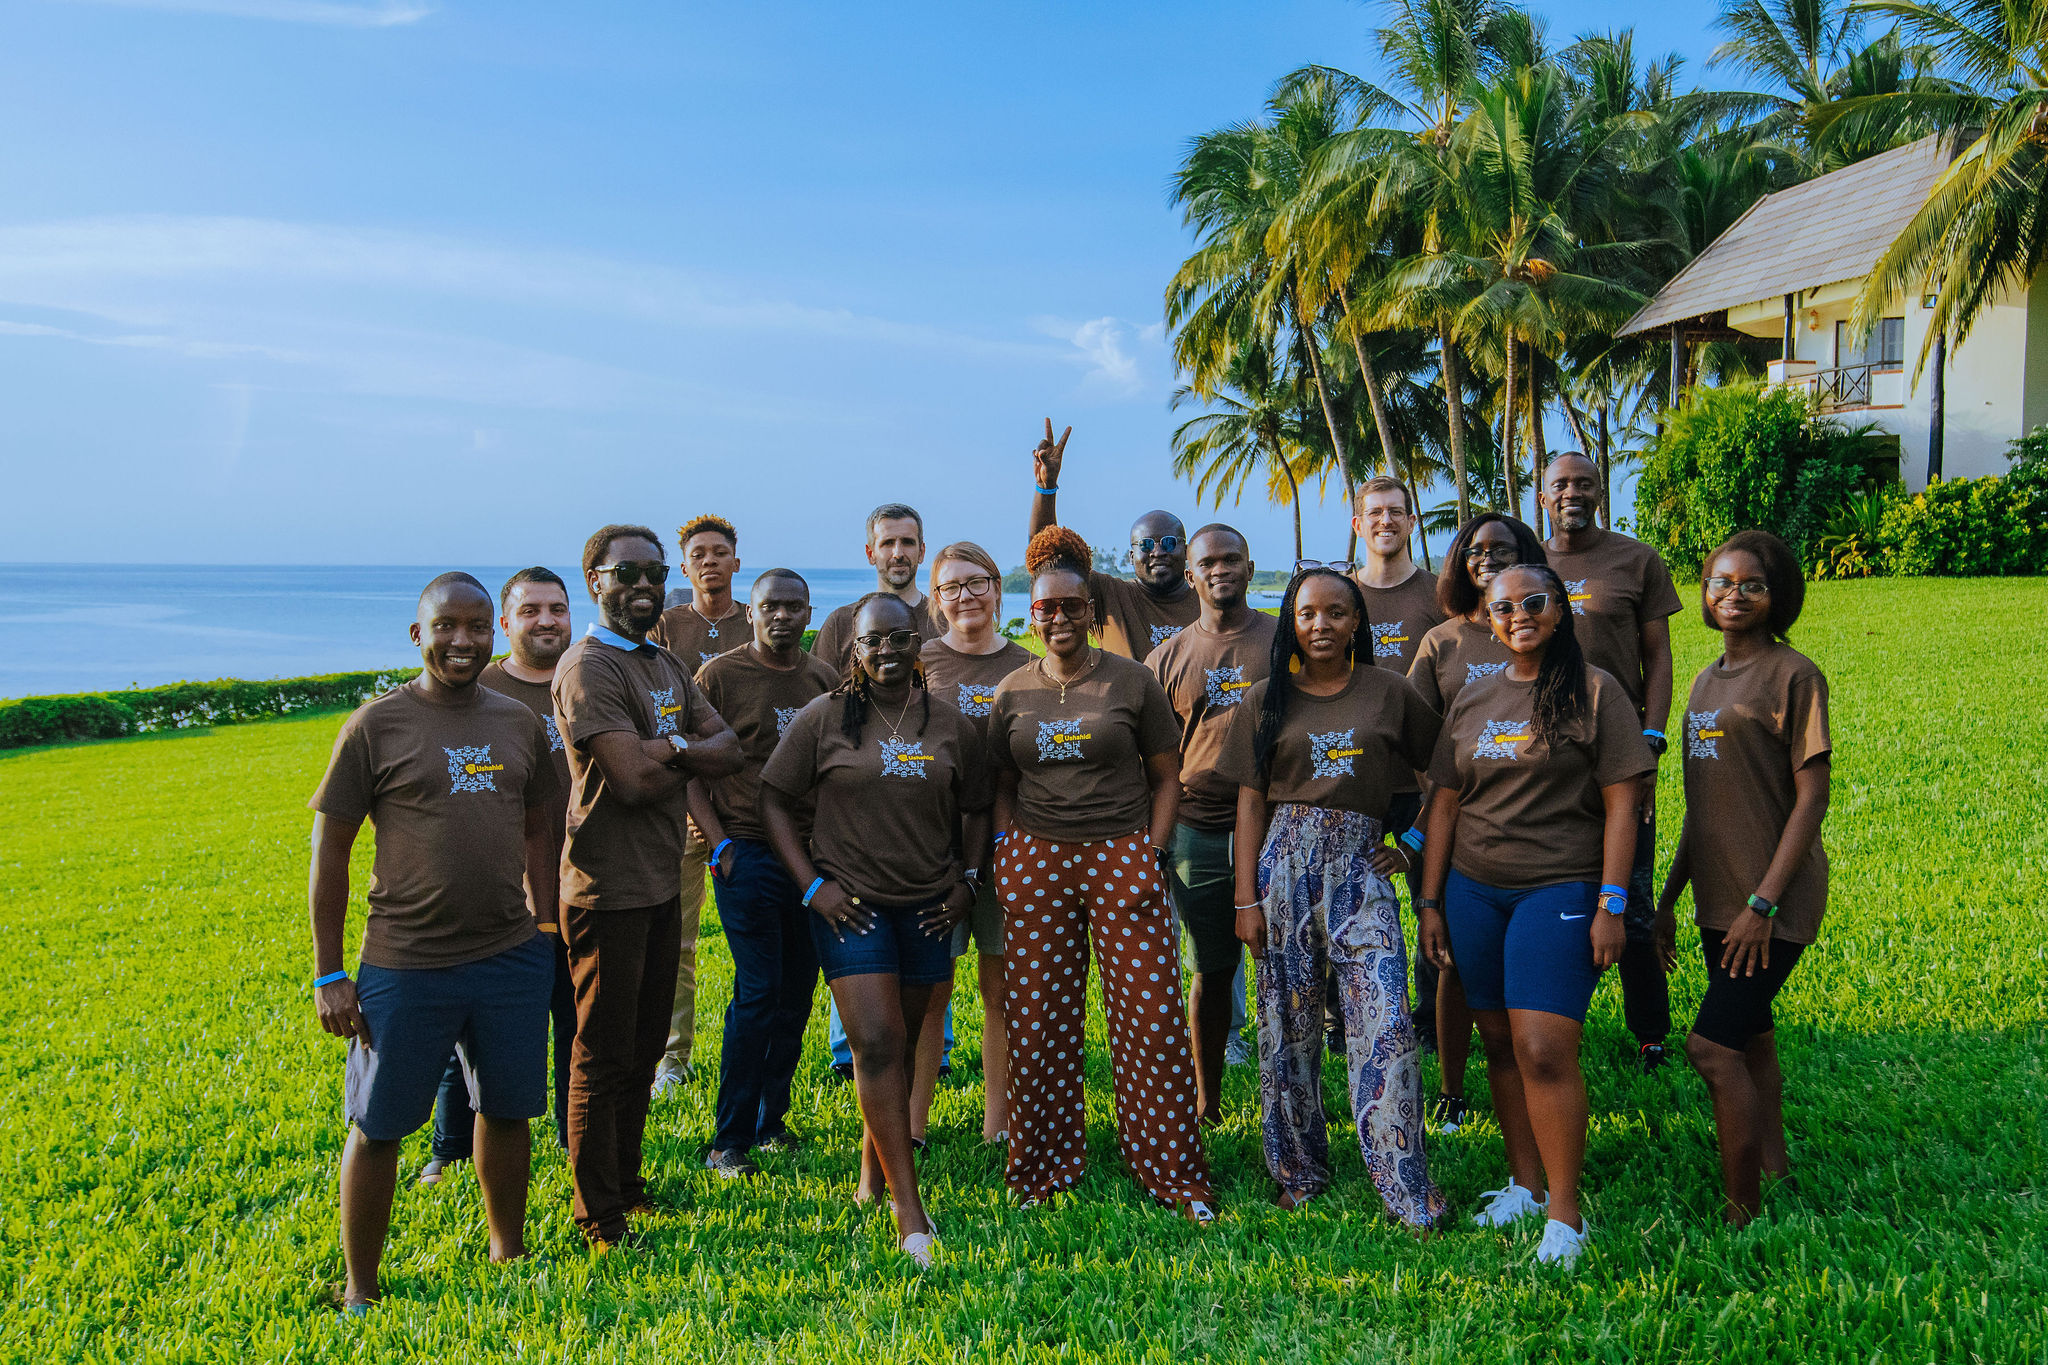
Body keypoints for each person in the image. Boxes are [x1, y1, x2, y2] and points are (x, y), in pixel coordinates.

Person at [307, 572, 561, 1310]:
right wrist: (329, 973)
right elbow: (331, 851)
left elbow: (541, 824)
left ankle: (508, 1251)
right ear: (418, 634)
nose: (462, 641)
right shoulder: (375, 725)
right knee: (379, 1123)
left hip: (509, 954)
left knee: (507, 1108)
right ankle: (360, 1286)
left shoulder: (517, 722)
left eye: (477, 626)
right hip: (406, 961)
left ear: (494, 633)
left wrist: (545, 924)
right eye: (446, 626)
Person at [1416, 561, 1655, 1268]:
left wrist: (1613, 903)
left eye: (1534, 601)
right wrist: (1430, 901)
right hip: (1473, 889)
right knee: (1497, 1042)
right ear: (1487, 618)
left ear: (1560, 610)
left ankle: (1565, 1215)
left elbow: (1624, 806)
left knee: (1544, 1049)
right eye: (1503, 606)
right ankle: (1524, 1183)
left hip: (1560, 889)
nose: (1519, 614)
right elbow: (1446, 803)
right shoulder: (1474, 696)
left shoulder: (1596, 691)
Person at [985, 526, 1215, 1221]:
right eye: (1045, 607)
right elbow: (1001, 783)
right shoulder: (1012, 691)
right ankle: (1042, 1166)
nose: (1059, 617)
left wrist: (1152, 851)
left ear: (1091, 610)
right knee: (1037, 1020)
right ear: (1031, 615)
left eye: (1072, 606)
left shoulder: (1132, 681)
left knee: (1152, 1019)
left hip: (1121, 854)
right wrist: (1007, 851)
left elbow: (1167, 775)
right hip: (1037, 858)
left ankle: (1170, 1171)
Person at [759, 594, 992, 1266]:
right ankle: (909, 1212)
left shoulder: (949, 723)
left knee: (906, 1041)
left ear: (918, 641)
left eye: (898, 638)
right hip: (851, 907)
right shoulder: (824, 717)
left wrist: (967, 881)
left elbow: (978, 806)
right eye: (872, 641)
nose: (886, 651)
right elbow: (773, 798)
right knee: (879, 1041)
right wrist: (812, 885)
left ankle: (872, 1171)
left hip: (928, 906)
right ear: (853, 649)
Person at [1220, 568, 1444, 1223]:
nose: (1321, 625)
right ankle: (1299, 1169)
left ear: (1356, 622)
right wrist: (1244, 900)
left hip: (1360, 867)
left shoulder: (1390, 692)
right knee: (1286, 1028)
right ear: (1291, 623)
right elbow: (1249, 802)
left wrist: (1412, 843)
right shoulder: (1265, 699)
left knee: (1386, 1023)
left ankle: (1405, 1183)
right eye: (1307, 614)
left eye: (1336, 613)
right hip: (1282, 868)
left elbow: (1446, 773)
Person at [552, 525, 741, 1248]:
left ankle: (627, 1184)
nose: (643, 586)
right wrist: (686, 751)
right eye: (625, 572)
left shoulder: (663, 662)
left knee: (641, 1047)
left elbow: (730, 748)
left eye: (655, 574)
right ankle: (598, 1212)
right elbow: (629, 781)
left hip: (661, 880)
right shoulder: (588, 667)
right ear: (594, 580)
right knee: (601, 1053)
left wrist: (670, 747)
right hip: (605, 888)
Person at [1656, 531, 1831, 1226]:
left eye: (1751, 584)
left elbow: (1812, 798)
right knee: (1753, 1036)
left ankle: (1742, 1214)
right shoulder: (1705, 681)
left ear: (1776, 594)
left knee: (1711, 1046)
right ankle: (1773, 1167)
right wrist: (1668, 899)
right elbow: (1705, 806)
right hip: (1717, 897)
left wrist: (1764, 903)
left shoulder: (1795, 675)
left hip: (1770, 901)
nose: (1733, 595)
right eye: (1720, 582)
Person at [420, 568, 578, 1187]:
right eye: (531, 610)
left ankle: (575, 1138)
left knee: (578, 1024)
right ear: (505, 624)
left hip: (584, 887)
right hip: (499, 899)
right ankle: (450, 1147)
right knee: (472, 1031)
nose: (546, 621)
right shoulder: (475, 689)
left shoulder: (587, 679)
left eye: (557, 608)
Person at [690, 569, 841, 1177]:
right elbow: (690, 766)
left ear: (808, 615)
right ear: (749, 613)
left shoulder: (824, 679)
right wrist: (720, 845)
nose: (782, 616)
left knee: (797, 994)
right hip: (748, 854)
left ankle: (771, 1121)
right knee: (757, 993)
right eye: (770, 606)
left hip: (811, 858)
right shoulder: (718, 677)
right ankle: (728, 1140)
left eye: (793, 607)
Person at [1539, 454, 1684, 1072]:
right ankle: (1549, 1018)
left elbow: (1659, 656)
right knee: (1551, 888)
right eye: (1560, 484)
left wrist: (1651, 739)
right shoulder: (1528, 563)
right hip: (1545, 757)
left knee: (1633, 893)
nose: (1572, 492)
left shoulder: (1636, 559)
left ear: (1600, 492)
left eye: (1584, 483)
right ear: (1543, 496)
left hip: (1621, 752)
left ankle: (1651, 1034)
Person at [1405, 513, 1546, 1131]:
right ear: (1460, 564)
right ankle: (1453, 1090)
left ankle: (1532, 1070)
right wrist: (1435, 799)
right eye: (1475, 550)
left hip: (1536, 829)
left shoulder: (1543, 631)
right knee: (1455, 964)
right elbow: (1416, 734)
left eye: (1502, 549)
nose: (1487, 559)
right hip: (1457, 825)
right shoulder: (1442, 641)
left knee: (1525, 962)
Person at [1144, 523, 1273, 1125]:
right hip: (1197, 829)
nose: (1220, 570)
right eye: (1207, 563)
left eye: (1231, 559)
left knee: (1289, 967)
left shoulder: (1283, 640)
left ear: (1249, 568)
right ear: (1190, 576)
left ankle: (1292, 1101)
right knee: (1211, 971)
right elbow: (1153, 762)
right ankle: (1208, 1100)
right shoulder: (1167, 659)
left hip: (1276, 826)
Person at [916, 542, 1033, 1144]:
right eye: (951, 587)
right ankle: (912, 1126)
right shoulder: (919, 661)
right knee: (930, 991)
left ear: (997, 587)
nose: (965, 596)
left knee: (1001, 991)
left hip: (1008, 842)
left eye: (977, 582)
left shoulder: (1027, 665)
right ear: (937, 599)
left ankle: (998, 1127)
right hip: (933, 848)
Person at [647, 514, 751, 1096]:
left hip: (745, 805)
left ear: (736, 561)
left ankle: (757, 1045)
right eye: (698, 555)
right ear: (684, 569)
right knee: (677, 941)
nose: (709, 561)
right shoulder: (665, 627)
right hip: (677, 802)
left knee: (753, 943)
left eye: (719, 552)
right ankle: (672, 1057)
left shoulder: (757, 619)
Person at [1350, 475, 1449, 1051]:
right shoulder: (1337, 595)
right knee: (1344, 900)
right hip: (1353, 779)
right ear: (1358, 525)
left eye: (1396, 512)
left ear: (1411, 522)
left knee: (1431, 899)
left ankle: (1432, 1018)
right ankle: (1344, 1017)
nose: (1385, 521)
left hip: (1423, 780)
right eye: (1374, 513)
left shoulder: (1438, 595)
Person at [1026, 419, 1197, 663]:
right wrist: (1046, 487)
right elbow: (1046, 558)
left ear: (1187, 551)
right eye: (1146, 545)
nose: (1158, 552)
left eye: (1169, 543)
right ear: (1131, 556)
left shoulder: (1208, 600)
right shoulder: (1110, 596)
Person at [809, 504, 942, 672]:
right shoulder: (840, 624)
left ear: (921, 552)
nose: (898, 554)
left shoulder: (945, 621)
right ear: (870, 554)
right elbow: (816, 684)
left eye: (907, 542)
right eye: (887, 543)